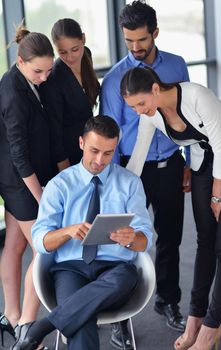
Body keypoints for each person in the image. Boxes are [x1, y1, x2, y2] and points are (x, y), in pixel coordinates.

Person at [10, 115, 153, 350]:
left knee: (124, 278)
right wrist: (68, 231)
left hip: (115, 270)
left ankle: (42, 328)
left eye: (108, 153)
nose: (100, 160)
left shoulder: (130, 183)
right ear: (81, 143)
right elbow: (40, 240)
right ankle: (55, 321)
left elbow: (145, 239)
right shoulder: (59, 185)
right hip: (71, 269)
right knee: (81, 320)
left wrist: (133, 238)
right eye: (94, 150)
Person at [120, 66, 221, 350]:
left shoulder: (196, 96)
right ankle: (195, 318)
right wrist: (118, 194)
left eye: (140, 103)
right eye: (132, 107)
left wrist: (217, 197)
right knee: (205, 241)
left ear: (155, 90)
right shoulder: (152, 116)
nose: (138, 112)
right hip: (203, 166)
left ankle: (211, 328)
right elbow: (137, 160)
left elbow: (220, 146)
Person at [100, 0, 190, 345]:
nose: (136, 48)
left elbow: (186, 119)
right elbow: (110, 133)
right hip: (129, 170)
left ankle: (168, 301)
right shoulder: (113, 81)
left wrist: (186, 160)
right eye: (129, 42)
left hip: (170, 165)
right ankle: (121, 314)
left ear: (155, 33)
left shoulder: (178, 66)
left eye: (142, 40)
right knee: (124, 243)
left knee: (170, 238)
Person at [0, 25, 56, 348]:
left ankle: (10, 314)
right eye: (39, 71)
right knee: (44, 249)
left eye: (48, 70)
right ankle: (27, 327)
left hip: (17, 177)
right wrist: (42, 197)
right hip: (20, 181)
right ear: (21, 61)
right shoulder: (13, 92)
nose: (45, 78)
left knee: (14, 245)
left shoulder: (24, 78)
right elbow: (20, 155)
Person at [40, 18, 100, 172]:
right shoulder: (53, 80)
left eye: (75, 49)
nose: (70, 57)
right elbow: (55, 133)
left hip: (91, 147)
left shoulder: (87, 55)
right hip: (69, 154)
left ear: (84, 39)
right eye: (62, 52)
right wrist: (66, 172)